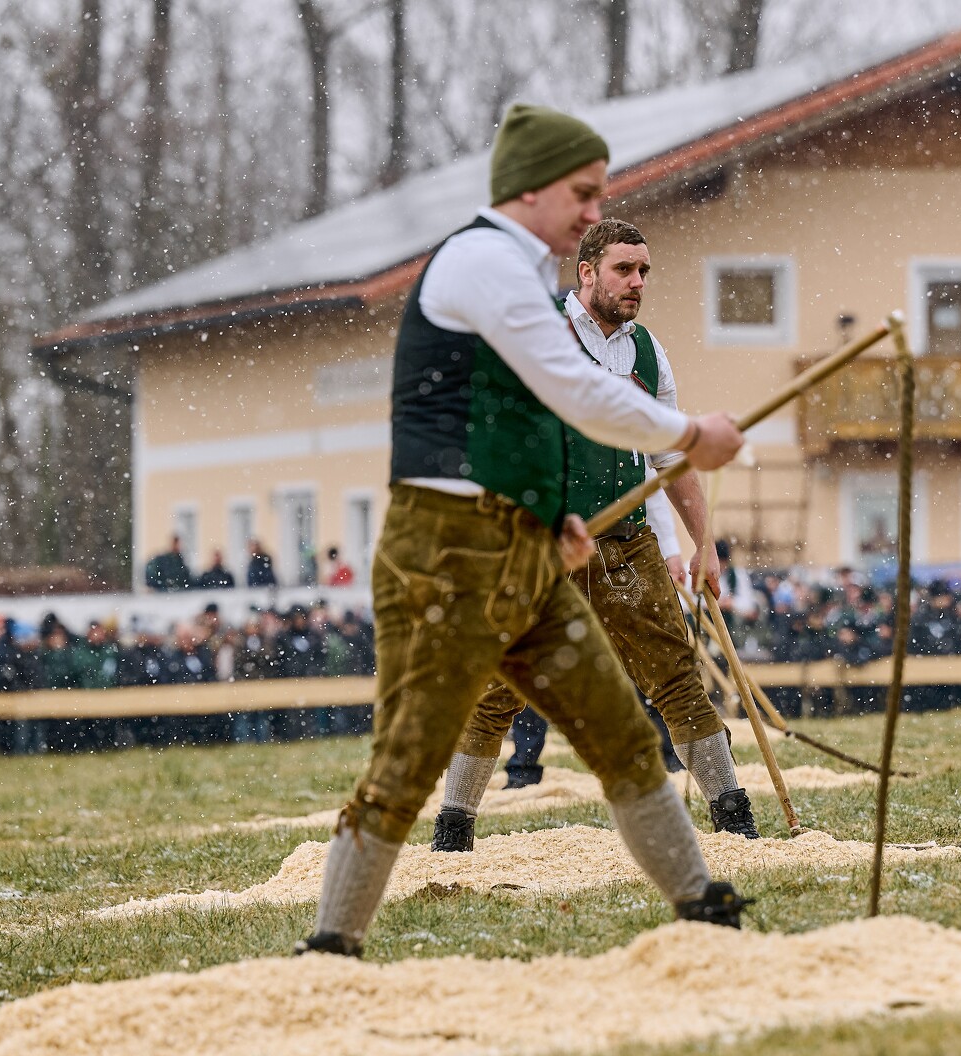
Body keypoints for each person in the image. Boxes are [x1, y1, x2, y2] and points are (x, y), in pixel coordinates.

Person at [298, 104, 749, 960]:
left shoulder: (519, 274)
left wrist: (549, 514)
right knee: (414, 749)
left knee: (619, 726)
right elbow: (574, 392)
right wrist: (689, 436)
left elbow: (527, 418)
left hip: (519, 546)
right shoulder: (481, 261)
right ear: (531, 188)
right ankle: (330, 945)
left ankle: (705, 909)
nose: (592, 210)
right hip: (446, 549)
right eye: (583, 194)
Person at [431, 219, 759, 849]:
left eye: (643, 271)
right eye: (622, 270)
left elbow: (673, 458)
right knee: (501, 684)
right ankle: (454, 824)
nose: (636, 282)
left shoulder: (647, 353)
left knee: (675, 675)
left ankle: (731, 812)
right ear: (586, 272)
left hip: (625, 543)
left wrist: (704, 544)